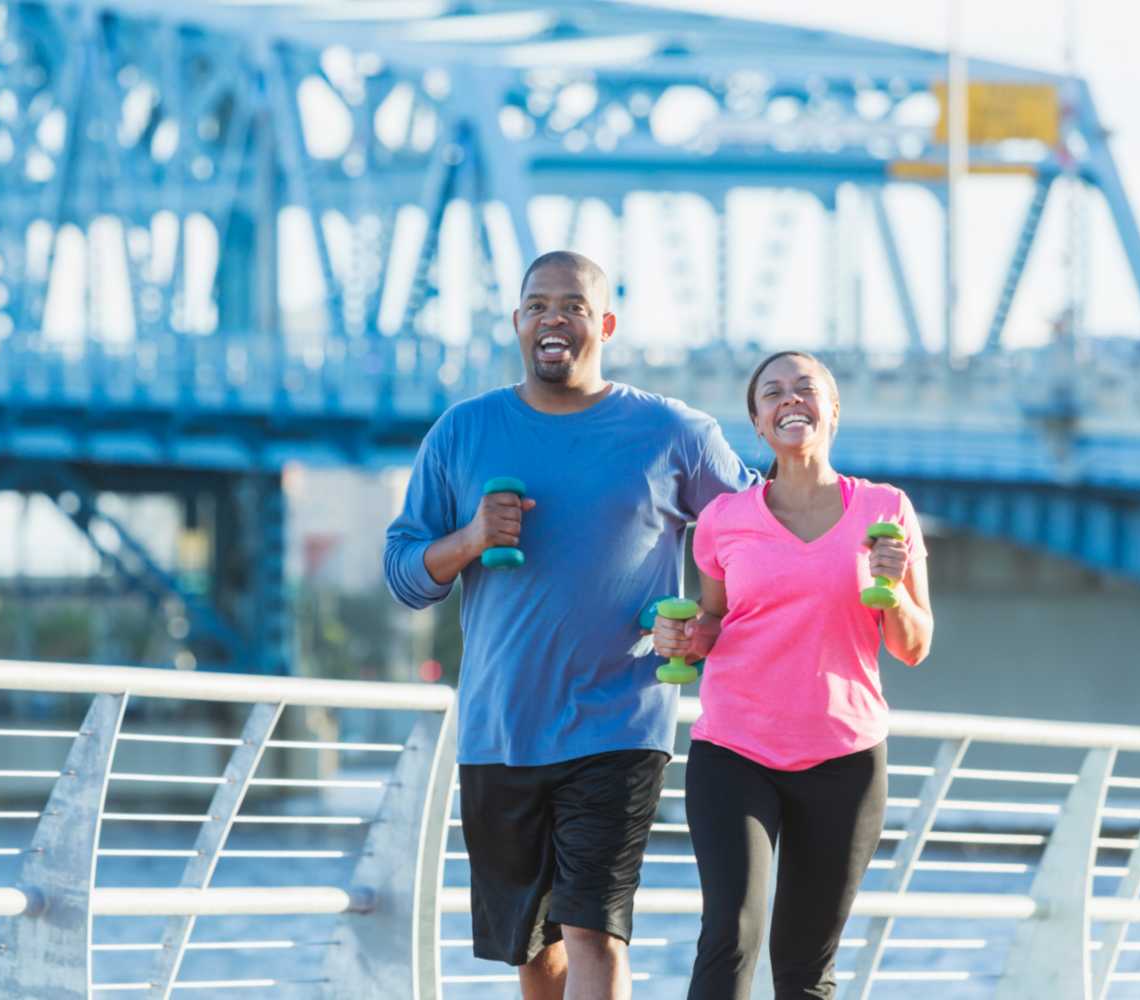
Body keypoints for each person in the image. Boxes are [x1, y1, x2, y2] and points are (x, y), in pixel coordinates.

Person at [383, 251, 756, 1000]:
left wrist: (701, 623)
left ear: (605, 325)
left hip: (621, 724)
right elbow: (404, 577)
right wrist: (469, 539)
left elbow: (752, 541)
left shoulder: (672, 432)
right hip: (501, 727)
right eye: (538, 305)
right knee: (535, 948)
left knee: (595, 928)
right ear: (518, 323)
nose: (554, 317)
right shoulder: (461, 433)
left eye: (575, 306)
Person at [652, 350, 933, 1000]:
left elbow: (915, 646)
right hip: (734, 751)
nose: (790, 400)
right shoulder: (723, 520)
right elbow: (714, 622)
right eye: (772, 393)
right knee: (730, 936)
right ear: (757, 422)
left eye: (805, 388)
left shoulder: (886, 509)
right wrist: (686, 636)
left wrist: (891, 587)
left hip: (845, 759)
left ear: (833, 409)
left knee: (807, 969)